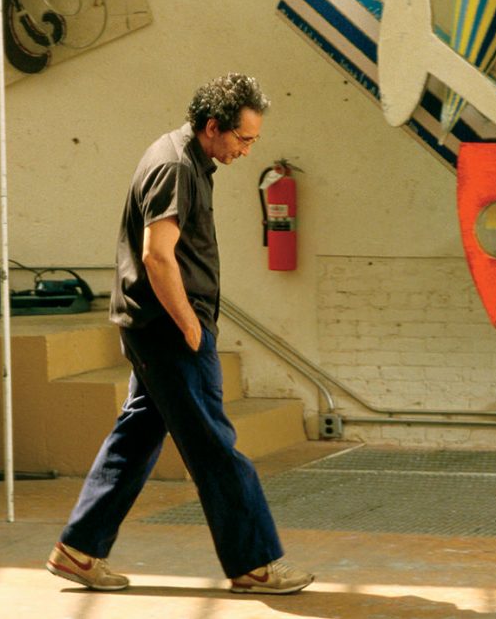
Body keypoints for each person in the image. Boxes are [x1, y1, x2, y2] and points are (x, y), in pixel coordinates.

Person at [45, 73, 314, 595]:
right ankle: (254, 563)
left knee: (138, 436)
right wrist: (191, 325)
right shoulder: (174, 166)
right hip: (169, 330)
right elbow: (157, 254)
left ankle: (78, 550)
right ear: (214, 125)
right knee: (214, 445)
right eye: (243, 138)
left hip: (155, 327)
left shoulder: (187, 156)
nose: (247, 148)